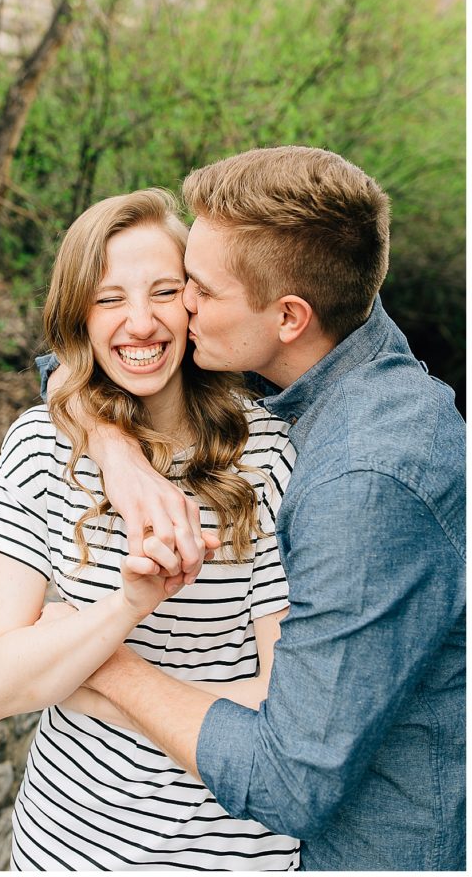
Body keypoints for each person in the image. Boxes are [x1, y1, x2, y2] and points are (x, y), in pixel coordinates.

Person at [40, 146, 466, 871]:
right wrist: (113, 445)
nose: (181, 310)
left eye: (195, 290)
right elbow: (88, 351)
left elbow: (290, 780)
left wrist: (101, 663)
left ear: (289, 316)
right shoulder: (332, 350)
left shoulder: (365, 480)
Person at [0, 188, 301, 871]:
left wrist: (91, 671)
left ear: (194, 300)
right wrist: (129, 605)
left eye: (164, 291)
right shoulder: (40, 447)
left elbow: (284, 701)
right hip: (65, 849)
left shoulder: (268, 452)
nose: (139, 323)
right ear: (77, 316)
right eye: (109, 298)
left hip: (233, 851)